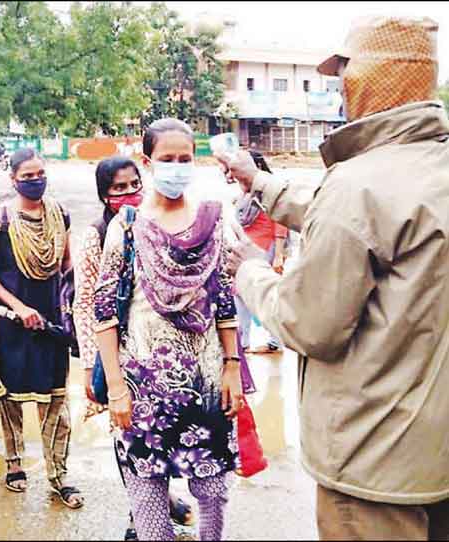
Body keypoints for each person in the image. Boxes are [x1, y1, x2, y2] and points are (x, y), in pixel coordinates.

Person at [219, 16, 449, 540]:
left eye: (343, 73)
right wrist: (263, 185)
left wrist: (250, 271)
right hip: (434, 456)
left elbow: (309, 325)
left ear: (368, 77)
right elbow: (374, 225)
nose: (340, 88)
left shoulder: (358, 185)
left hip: (373, 465)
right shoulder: (426, 169)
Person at [95, 118, 242, 541]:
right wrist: (117, 390)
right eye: (167, 159)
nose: (176, 167)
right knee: (147, 496)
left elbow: (225, 300)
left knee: (213, 493)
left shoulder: (211, 220)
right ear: (148, 161)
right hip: (142, 391)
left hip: (207, 384)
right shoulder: (125, 227)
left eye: (184, 159)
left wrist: (232, 367)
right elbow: (104, 313)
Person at [73, 156, 193, 540]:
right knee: (126, 436)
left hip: (157, 354)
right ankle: (137, 514)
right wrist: (93, 362)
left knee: (161, 433)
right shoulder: (96, 234)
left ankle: (160, 501)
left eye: (133, 184)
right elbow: (87, 300)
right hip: (117, 356)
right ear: (104, 196)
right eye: (117, 189)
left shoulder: (158, 223)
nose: (128, 193)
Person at [0, 148, 84, 509]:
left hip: (51, 324)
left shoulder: (59, 214)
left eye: (40, 174)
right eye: (27, 176)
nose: (35, 181)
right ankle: (15, 465)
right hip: (12, 325)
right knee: (12, 402)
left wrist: (69, 308)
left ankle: (59, 475)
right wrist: (17, 306)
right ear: (13, 179)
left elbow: (65, 263)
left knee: (56, 401)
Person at [233, 151, 287, 354]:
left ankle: (275, 342)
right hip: (248, 247)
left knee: (267, 293)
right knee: (240, 293)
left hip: (266, 247)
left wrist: (279, 254)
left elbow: (280, 222)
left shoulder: (268, 190)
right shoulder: (244, 192)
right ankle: (243, 341)